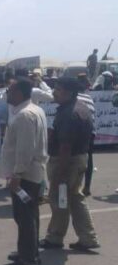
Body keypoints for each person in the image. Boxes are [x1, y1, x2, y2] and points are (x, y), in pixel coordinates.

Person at [40, 78, 100, 253]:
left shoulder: (68, 114)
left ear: (69, 93)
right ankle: (88, 238)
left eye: (58, 89)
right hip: (79, 159)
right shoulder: (81, 108)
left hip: (66, 161)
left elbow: (65, 146)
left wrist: (61, 172)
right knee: (75, 198)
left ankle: (55, 237)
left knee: (59, 199)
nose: (54, 92)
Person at [0, 79, 49, 265]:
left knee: (25, 217)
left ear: (19, 93)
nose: (7, 94)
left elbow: (25, 150)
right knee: (29, 215)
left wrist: (17, 175)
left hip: (25, 175)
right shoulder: (34, 110)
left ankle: (28, 259)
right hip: (30, 172)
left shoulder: (25, 115)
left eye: (10, 91)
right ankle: (28, 252)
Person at [77, 76, 96, 196]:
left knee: (74, 159)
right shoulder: (89, 98)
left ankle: (75, 186)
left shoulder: (74, 98)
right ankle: (87, 187)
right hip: (90, 132)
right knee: (89, 159)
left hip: (78, 132)